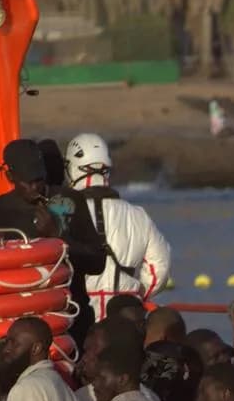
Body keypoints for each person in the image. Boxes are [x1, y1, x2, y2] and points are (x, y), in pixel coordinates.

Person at [0, 139, 105, 345]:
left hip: (71, 317)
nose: (35, 188)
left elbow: (98, 262)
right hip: (25, 320)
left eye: (39, 180)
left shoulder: (69, 200)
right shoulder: (2, 209)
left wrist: (57, 237)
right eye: (27, 182)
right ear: (10, 177)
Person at [63, 133, 172, 320]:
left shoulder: (63, 213)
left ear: (72, 169)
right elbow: (159, 270)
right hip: (126, 317)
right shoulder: (139, 215)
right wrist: (136, 297)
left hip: (80, 315)